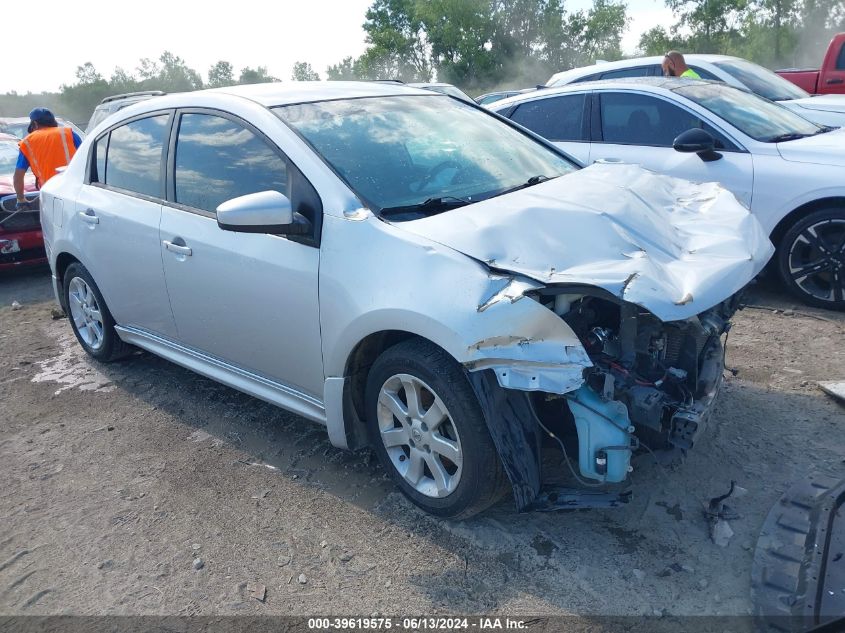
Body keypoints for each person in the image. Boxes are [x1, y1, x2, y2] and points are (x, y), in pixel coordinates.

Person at [13, 108, 82, 210]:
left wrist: (20, 199)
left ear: (35, 124)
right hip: (75, 191)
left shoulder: (27, 142)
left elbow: (18, 175)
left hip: (50, 194)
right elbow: (86, 159)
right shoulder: (69, 133)